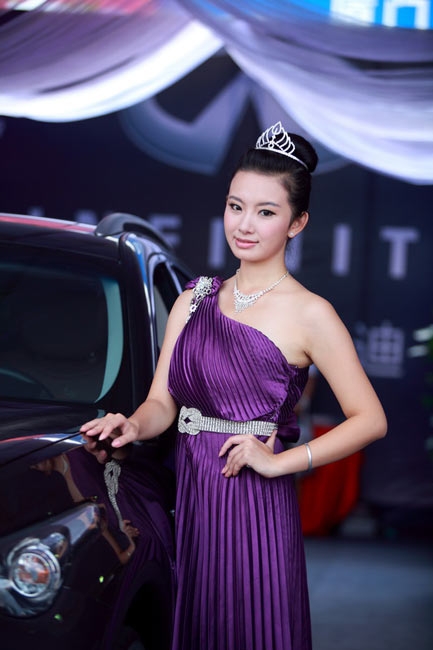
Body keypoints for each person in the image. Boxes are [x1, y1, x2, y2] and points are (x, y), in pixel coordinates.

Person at [81, 121, 387, 650]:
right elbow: (162, 403)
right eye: (235, 206)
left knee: (253, 629)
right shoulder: (194, 299)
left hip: (254, 504)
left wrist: (282, 463)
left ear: (297, 223)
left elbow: (371, 420)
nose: (244, 224)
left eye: (266, 212)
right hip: (188, 496)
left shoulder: (311, 313)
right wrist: (132, 425)